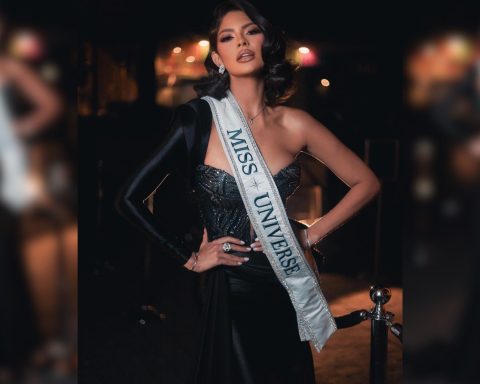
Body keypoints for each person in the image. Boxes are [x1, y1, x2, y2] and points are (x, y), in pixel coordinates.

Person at [116, 1, 381, 383]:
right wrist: (189, 257)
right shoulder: (198, 119)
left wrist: (310, 234)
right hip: (229, 284)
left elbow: (366, 182)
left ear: (266, 42)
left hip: (286, 278)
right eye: (228, 37)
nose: (241, 41)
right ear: (217, 57)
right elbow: (128, 198)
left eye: (250, 31)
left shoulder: (296, 123)